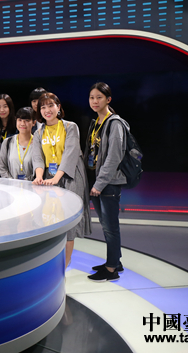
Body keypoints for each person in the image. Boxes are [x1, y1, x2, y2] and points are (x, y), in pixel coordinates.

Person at [32, 92, 91, 269]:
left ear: (58, 107)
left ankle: (66, 262)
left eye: (51, 105)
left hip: (70, 175)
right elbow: (37, 157)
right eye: (43, 107)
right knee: (50, 217)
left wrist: (56, 178)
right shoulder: (39, 132)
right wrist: (39, 176)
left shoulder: (70, 127)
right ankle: (52, 261)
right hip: (49, 177)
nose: (47, 110)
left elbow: (70, 153)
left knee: (68, 218)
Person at [84, 82, 128, 282]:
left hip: (107, 183)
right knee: (106, 224)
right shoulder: (96, 122)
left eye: (99, 97)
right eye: (92, 97)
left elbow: (113, 158)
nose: (95, 101)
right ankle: (115, 261)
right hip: (96, 181)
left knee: (110, 227)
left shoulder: (115, 123)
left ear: (108, 99)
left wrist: (99, 184)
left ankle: (111, 270)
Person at [0, 107, 36, 180]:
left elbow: (39, 168)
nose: (22, 124)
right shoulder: (7, 142)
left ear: (34, 123)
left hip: (32, 185)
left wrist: (26, 182)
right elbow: (2, 168)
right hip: (10, 185)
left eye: (27, 120)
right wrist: (12, 182)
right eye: (20, 120)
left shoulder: (38, 143)